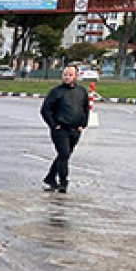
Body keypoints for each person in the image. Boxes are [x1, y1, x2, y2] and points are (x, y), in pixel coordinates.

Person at [40, 64, 89, 193]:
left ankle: (50, 178)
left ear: (76, 76)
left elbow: (85, 108)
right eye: (65, 74)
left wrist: (83, 124)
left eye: (70, 75)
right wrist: (54, 125)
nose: (67, 77)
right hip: (60, 130)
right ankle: (63, 182)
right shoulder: (56, 92)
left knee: (64, 156)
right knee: (64, 154)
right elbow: (45, 110)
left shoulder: (81, 91)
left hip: (75, 130)